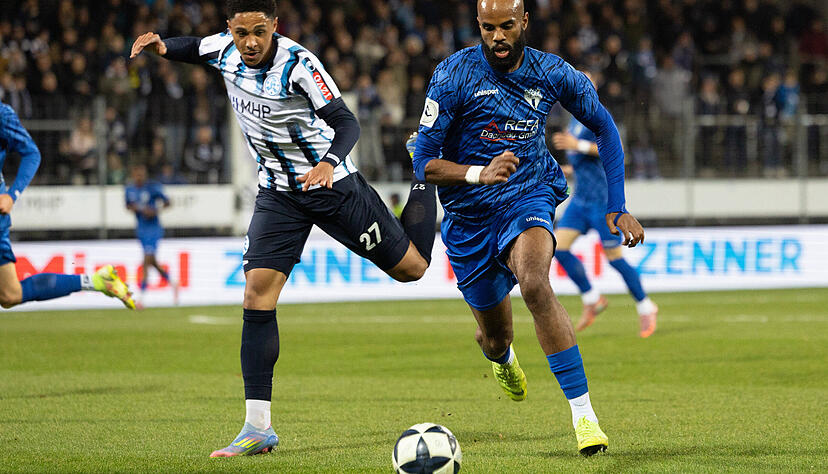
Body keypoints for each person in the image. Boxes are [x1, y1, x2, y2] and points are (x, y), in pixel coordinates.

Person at [130, 0, 437, 458]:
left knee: (412, 268)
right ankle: (257, 428)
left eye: (259, 31)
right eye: (240, 32)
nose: (250, 42)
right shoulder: (223, 49)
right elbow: (194, 47)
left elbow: (346, 123)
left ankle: (423, 171)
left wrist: (329, 164)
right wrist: (162, 47)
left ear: (274, 25)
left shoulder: (299, 65)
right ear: (229, 29)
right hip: (278, 195)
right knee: (256, 295)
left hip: (332, 185)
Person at [410, 0, 644, 456]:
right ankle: (502, 357)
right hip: (468, 218)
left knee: (536, 282)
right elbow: (423, 163)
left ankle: (584, 417)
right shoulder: (452, 76)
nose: (498, 36)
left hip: (527, 195)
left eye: (507, 26)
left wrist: (617, 207)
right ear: (477, 25)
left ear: (525, 23)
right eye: (488, 27)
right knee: (494, 336)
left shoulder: (553, 73)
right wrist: (479, 172)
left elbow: (605, 127)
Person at [0, 103, 134, 310]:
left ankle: (96, 282)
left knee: (10, 294)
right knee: (10, 295)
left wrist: (11, 195)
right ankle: (97, 281)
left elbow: (31, 153)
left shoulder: (2, 114)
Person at [552, 111, 658, 339]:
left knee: (615, 258)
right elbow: (585, 166)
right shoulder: (573, 122)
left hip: (602, 203)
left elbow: (612, 151)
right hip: (580, 201)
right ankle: (592, 299)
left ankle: (646, 307)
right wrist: (564, 171)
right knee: (557, 247)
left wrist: (577, 145)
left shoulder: (598, 120)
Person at [125, 164, 178, 307]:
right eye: (137, 174)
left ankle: (141, 298)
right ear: (133, 175)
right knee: (152, 261)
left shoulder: (152, 187)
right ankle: (172, 282)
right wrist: (138, 208)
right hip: (141, 229)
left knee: (146, 260)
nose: (139, 177)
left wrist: (155, 210)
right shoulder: (129, 189)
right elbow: (128, 205)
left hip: (154, 228)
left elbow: (167, 202)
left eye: (142, 174)